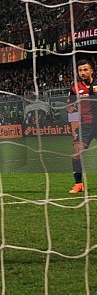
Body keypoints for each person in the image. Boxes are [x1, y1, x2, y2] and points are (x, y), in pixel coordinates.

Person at [68, 58, 96, 194]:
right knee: (76, 153)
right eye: (80, 70)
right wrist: (71, 107)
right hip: (85, 125)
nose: (82, 72)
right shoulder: (74, 88)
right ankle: (79, 184)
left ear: (92, 71)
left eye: (85, 69)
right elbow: (70, 107)